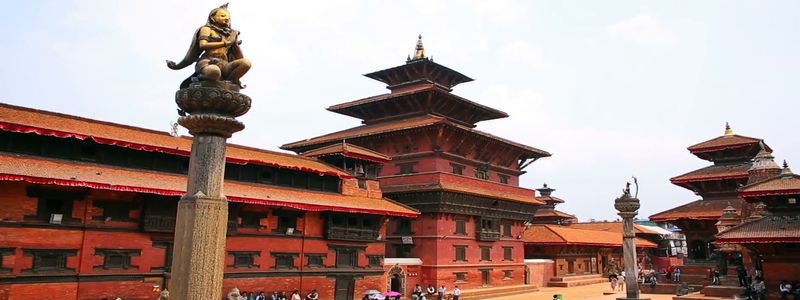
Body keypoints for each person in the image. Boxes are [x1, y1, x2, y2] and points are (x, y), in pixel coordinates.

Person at [166, 3, 252, 89]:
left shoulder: (229, 34)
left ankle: (228, 83)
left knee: (246, 63)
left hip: (225, 64)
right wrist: (226, 43)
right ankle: (200, 78)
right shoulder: (207, 29)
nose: (226, 19)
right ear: (212, 17)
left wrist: (235, 44)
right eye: (222, 16)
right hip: (208, 62)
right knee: (214, 72)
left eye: (228, 18)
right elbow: (203, 45)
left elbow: (239, 58)